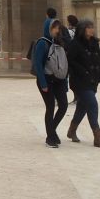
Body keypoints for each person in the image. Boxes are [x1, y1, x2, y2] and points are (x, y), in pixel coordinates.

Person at [66, 19, 100, 148]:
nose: (92, 29)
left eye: (92, 27)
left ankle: (72, 130)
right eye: (88, 27)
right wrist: (82, 72)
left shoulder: (94, 42)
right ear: (82, 29)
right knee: (92, 104)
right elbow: (70, 62)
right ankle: (97, 137)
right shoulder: (75, 44)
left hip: (93, 80)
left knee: (83, 106)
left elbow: (98, 58)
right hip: (80, 81)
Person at [30, 17, 69, 148]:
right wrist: (43, 83)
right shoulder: (42, 43)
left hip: (58, 80)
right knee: (50, 107)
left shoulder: (57, 42)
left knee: (63, 105)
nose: (58, 30)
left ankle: (51, 132)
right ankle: (50, 138)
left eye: (58, 27)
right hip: (46, 80)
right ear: (49, 29)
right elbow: (38, 65)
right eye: (56, 28)